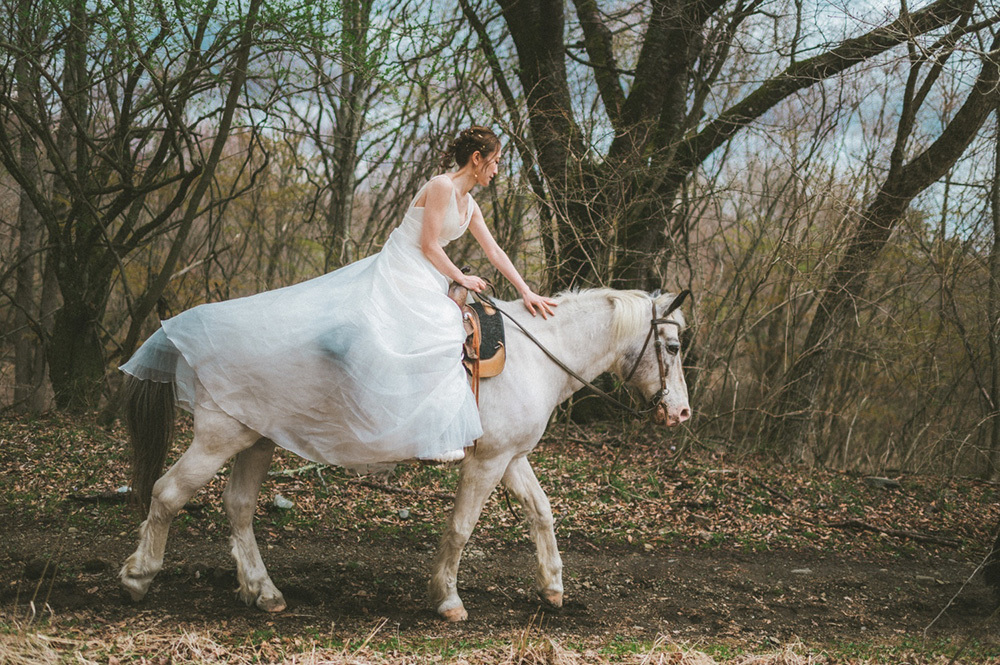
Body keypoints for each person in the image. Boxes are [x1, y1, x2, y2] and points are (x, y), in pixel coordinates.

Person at [121, 126, 556, 467]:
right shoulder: (442, 186)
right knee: (439, 327)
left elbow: (495, 250)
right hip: (405, 267)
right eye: (495, 162)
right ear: (477, 160)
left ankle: (424, 429)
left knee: (445, 327)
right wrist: (461, 274)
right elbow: (428, 245)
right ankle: (418, 431)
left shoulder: (470, 203)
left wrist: (526, 290)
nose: (497, 170)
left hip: (429, 277)